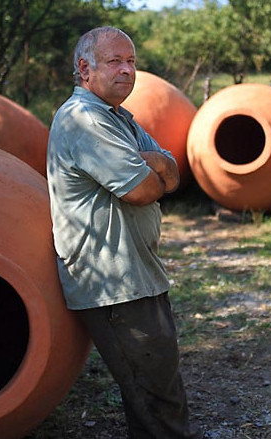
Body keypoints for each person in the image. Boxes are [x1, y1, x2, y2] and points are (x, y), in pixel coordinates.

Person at [46, 26, 200, 438]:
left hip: (137, 274)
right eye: (115, 61)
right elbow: (144, 189)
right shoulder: (83, 119)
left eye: (131, 61)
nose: (128, 70)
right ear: (85, 68)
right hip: (114, 281)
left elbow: (173, 171)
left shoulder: (117, 118)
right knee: (155, 399)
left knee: (156, 391)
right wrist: (155, 168)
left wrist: (155, 164)